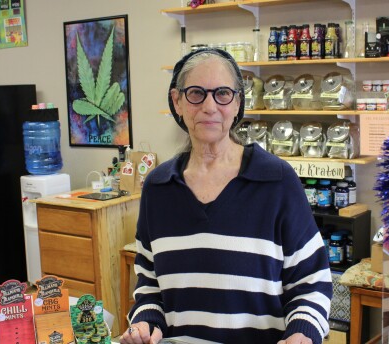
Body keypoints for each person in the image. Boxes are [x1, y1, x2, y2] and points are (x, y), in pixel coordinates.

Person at [120, 48, 332, 344]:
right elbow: (149, 285)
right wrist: (145, 321)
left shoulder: (278, 181)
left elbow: (312, 283)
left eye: (222, 93)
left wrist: (302, 334)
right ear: (177, 102)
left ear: (237, 103)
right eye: (196, 93)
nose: (210, 106)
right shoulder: (158, 188)